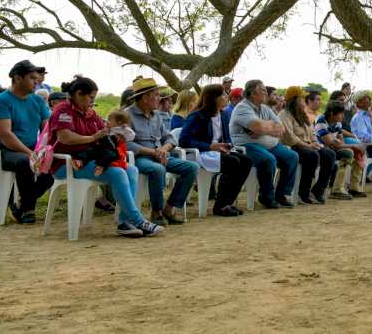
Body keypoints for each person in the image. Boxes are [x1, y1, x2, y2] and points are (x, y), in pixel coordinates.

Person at [49, 79, 163, 237]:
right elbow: (65, 137)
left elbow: (103, 133)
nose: (93, 102)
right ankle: (137, 220)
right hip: (68, 163)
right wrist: (92, 138)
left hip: (92, 160)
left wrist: (118, 134)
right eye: (91, 97)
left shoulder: (90, 112)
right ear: (78, 94)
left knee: (131, 169)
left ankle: (125, 223)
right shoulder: (63, 110)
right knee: (118, 173)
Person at [0, 60, 54, 224]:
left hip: (27, 150)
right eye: (32, 78)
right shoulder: (0, 101)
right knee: (24, 162)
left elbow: (47, 129)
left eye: (37, 78)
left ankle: (21, 206)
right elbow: (5, 135)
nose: (37, 81)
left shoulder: (37, 101)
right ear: (18, 78)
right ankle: (27, 210)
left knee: (50, 172)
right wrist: (31, 154)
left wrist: (44, 151)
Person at [126, 77, 199, 225]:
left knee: (192, 167)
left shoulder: (157, 116)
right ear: (146, 97)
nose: (159, 99)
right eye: (157, 95)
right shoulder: (127, 115)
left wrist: (164, 149)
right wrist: (153, 152)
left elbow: (170, 138)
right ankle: (156, 212)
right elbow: (126, 144)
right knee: (157, 169)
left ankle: (170, 208)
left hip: (161, 155)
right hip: (139, 158)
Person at [180, 83, 253, 217]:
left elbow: (226, 138)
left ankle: (228, 202)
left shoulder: (223, 115)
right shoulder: (197, 116)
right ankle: (220, 206)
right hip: (200, 153)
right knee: (232, 162)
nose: (227, 97)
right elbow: (184, 140)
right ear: (214, 98)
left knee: (246, 161)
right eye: (224, 95)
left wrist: (227, 145)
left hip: (216, 152)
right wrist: (209, 146)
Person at [229, 79, 299, 208]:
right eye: (263, 90)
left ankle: (282, 194)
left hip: (272, 145)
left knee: (292, 156)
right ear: (252, 94)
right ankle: (266, 197)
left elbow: (281, 128)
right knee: (268, 159)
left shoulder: (265, 108)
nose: (266, 93)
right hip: (248, 146)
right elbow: (259, 128)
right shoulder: (242, 108)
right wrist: (267, 127)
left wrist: (263, 129)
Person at [277, 86, 336, 204]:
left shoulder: (302, 114)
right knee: (312, 155)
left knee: (330, 154)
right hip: (293, 146)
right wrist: (307, 145)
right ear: (294, 100)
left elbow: (312, 131)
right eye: (301, 98)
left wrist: (314, 141)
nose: (304, 100)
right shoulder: (284, 114)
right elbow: (289, 136)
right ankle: (303, 193)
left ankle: (318, 190)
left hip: (307, 145)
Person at [315, 101, 365, 200]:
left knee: (354, 152)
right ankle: (337, 189)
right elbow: (330, 143)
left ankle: (353, 188)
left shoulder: (337, 123)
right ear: (332, 113)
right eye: (341, 113)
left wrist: (352, 147)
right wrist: (352, 146)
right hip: (321, 150)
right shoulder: (321, 122)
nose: (343, 116)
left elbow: (340, 142)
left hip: (333, 149)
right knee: (349, 152)